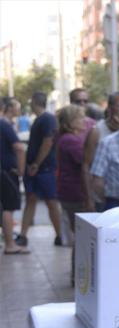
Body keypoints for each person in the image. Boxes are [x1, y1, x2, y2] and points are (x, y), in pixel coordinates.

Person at [16, 92, 62, 247]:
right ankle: (23, 235)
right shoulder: (41, 120)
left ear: (34, 102)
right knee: (31, 200)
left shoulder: (47, 119)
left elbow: (48, 142)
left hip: (44, 169)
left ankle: (60, 235)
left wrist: (36, 163)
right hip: (37, 168)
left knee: (51, 201)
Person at [55, 104, 89, 285]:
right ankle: (78, 277)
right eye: (80, 118)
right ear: (70, 122)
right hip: (75, 192)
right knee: (82, 236)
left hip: (69, 191)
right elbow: (85, 160)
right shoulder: (71, 141)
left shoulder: (67, 138)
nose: (84, 121)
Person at [82, 90, 119, 211]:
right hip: (104, 200)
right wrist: (89, 199)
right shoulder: (97, 131)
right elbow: (86, 166)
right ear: (110, 108)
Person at [0, 99, 27, 254]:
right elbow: (19, 148)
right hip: (7, 172)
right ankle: (10, 244)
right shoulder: (4, 125)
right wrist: (21, 170)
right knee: (8, 207)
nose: (19, 109)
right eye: (17, 107)